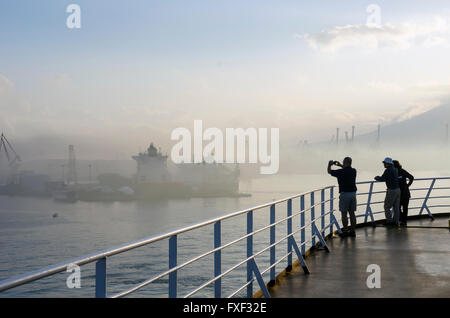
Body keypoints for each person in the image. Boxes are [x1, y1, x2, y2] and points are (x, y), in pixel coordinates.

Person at [327, 157, 357, 237]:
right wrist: (340, 165)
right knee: (352, 214)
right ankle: (353, 231)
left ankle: (345, 232)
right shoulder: (354, 171)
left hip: (344, 195)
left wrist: (329, 164)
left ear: (345, 162)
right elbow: (346, 168)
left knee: (344, 214)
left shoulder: (340, 172)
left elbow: (329, 171)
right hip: (353, 194)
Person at [375, 157, 401, 226]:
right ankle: (396, 221)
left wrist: (377, 178)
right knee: (396, 207)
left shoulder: (388, 170)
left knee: (386, 206)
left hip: (392, 190)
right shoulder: (395, 169)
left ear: (388, 163)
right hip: (398, 190)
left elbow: (382, 179)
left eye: (385, 163)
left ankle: (389, 222)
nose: (384, 164)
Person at [393, 160, 414, 226]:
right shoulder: (393, 172)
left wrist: (407, 185)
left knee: (404, 208)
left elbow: (411, 177)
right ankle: (402, 220)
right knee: (398, 208)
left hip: (405, 193)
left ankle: (404, 221)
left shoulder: (402, 171)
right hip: (399, 193)